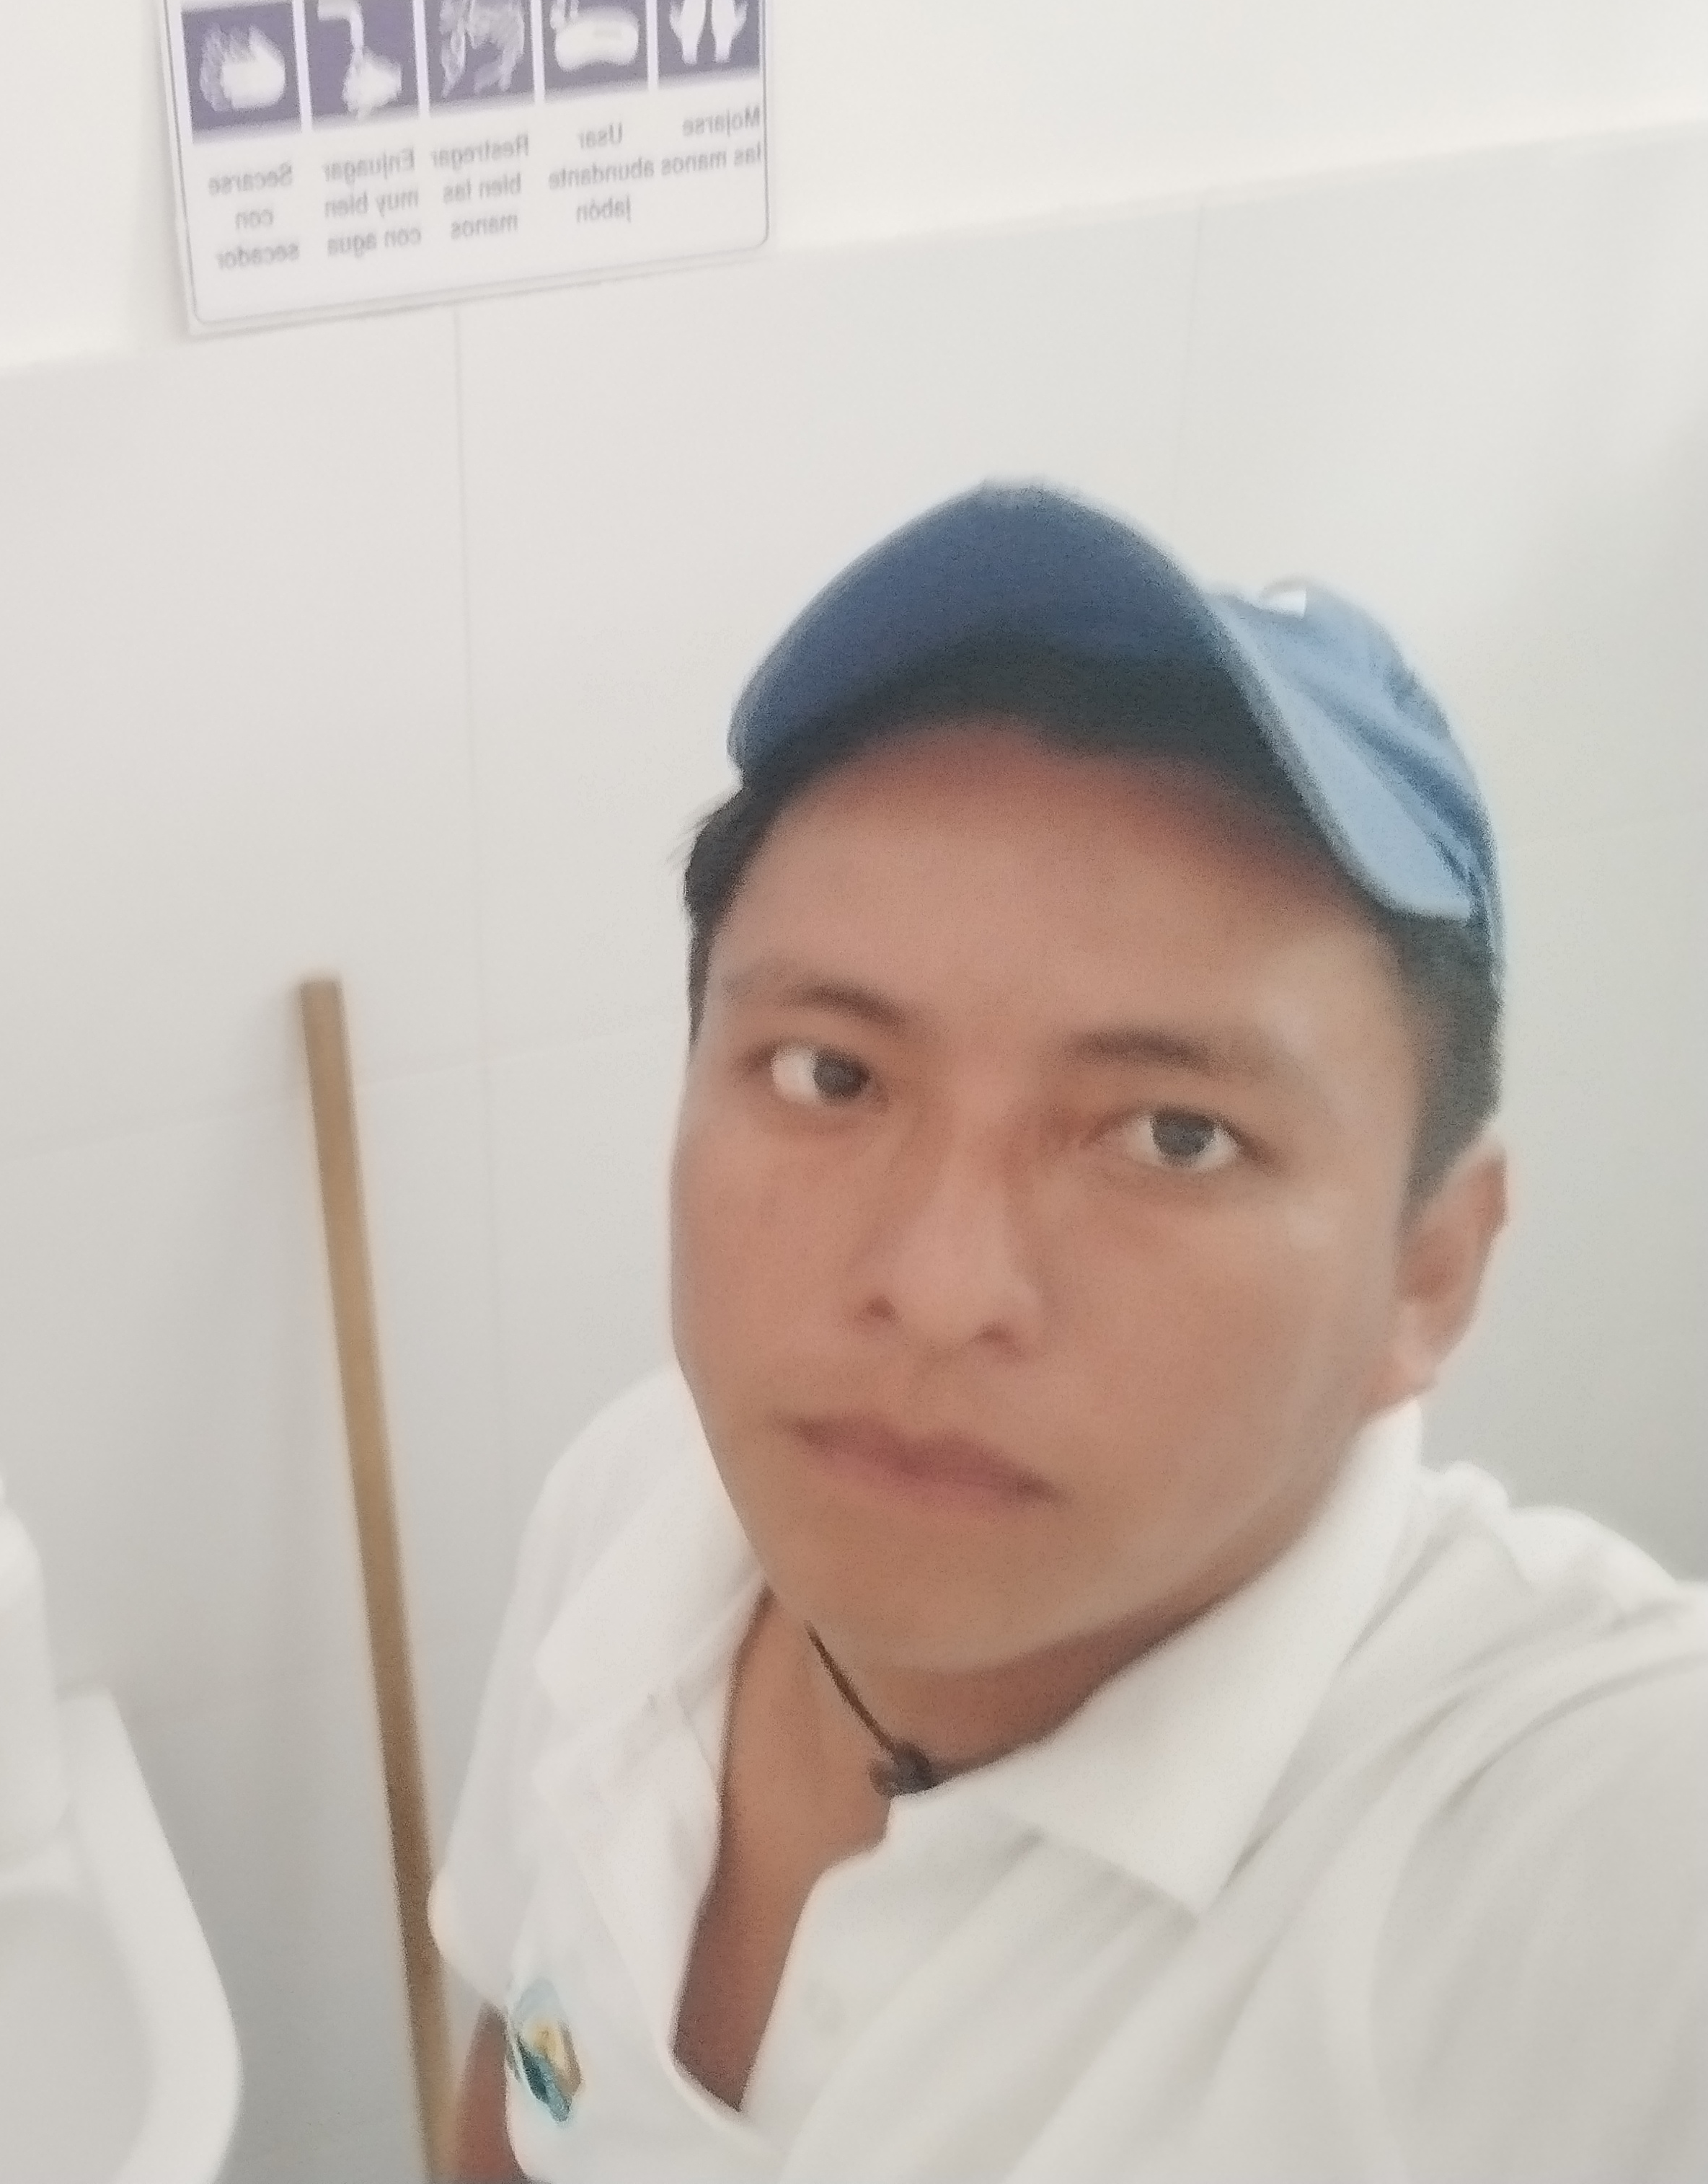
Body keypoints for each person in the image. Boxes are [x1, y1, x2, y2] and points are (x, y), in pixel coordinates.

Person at [430, 485, 1708, 2182]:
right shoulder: (635, 1509)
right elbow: (525, 2079)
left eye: (1173, 1136)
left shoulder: (1577, 1848)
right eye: (830, 1073)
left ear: (1428, 1273)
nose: (938, 1286)